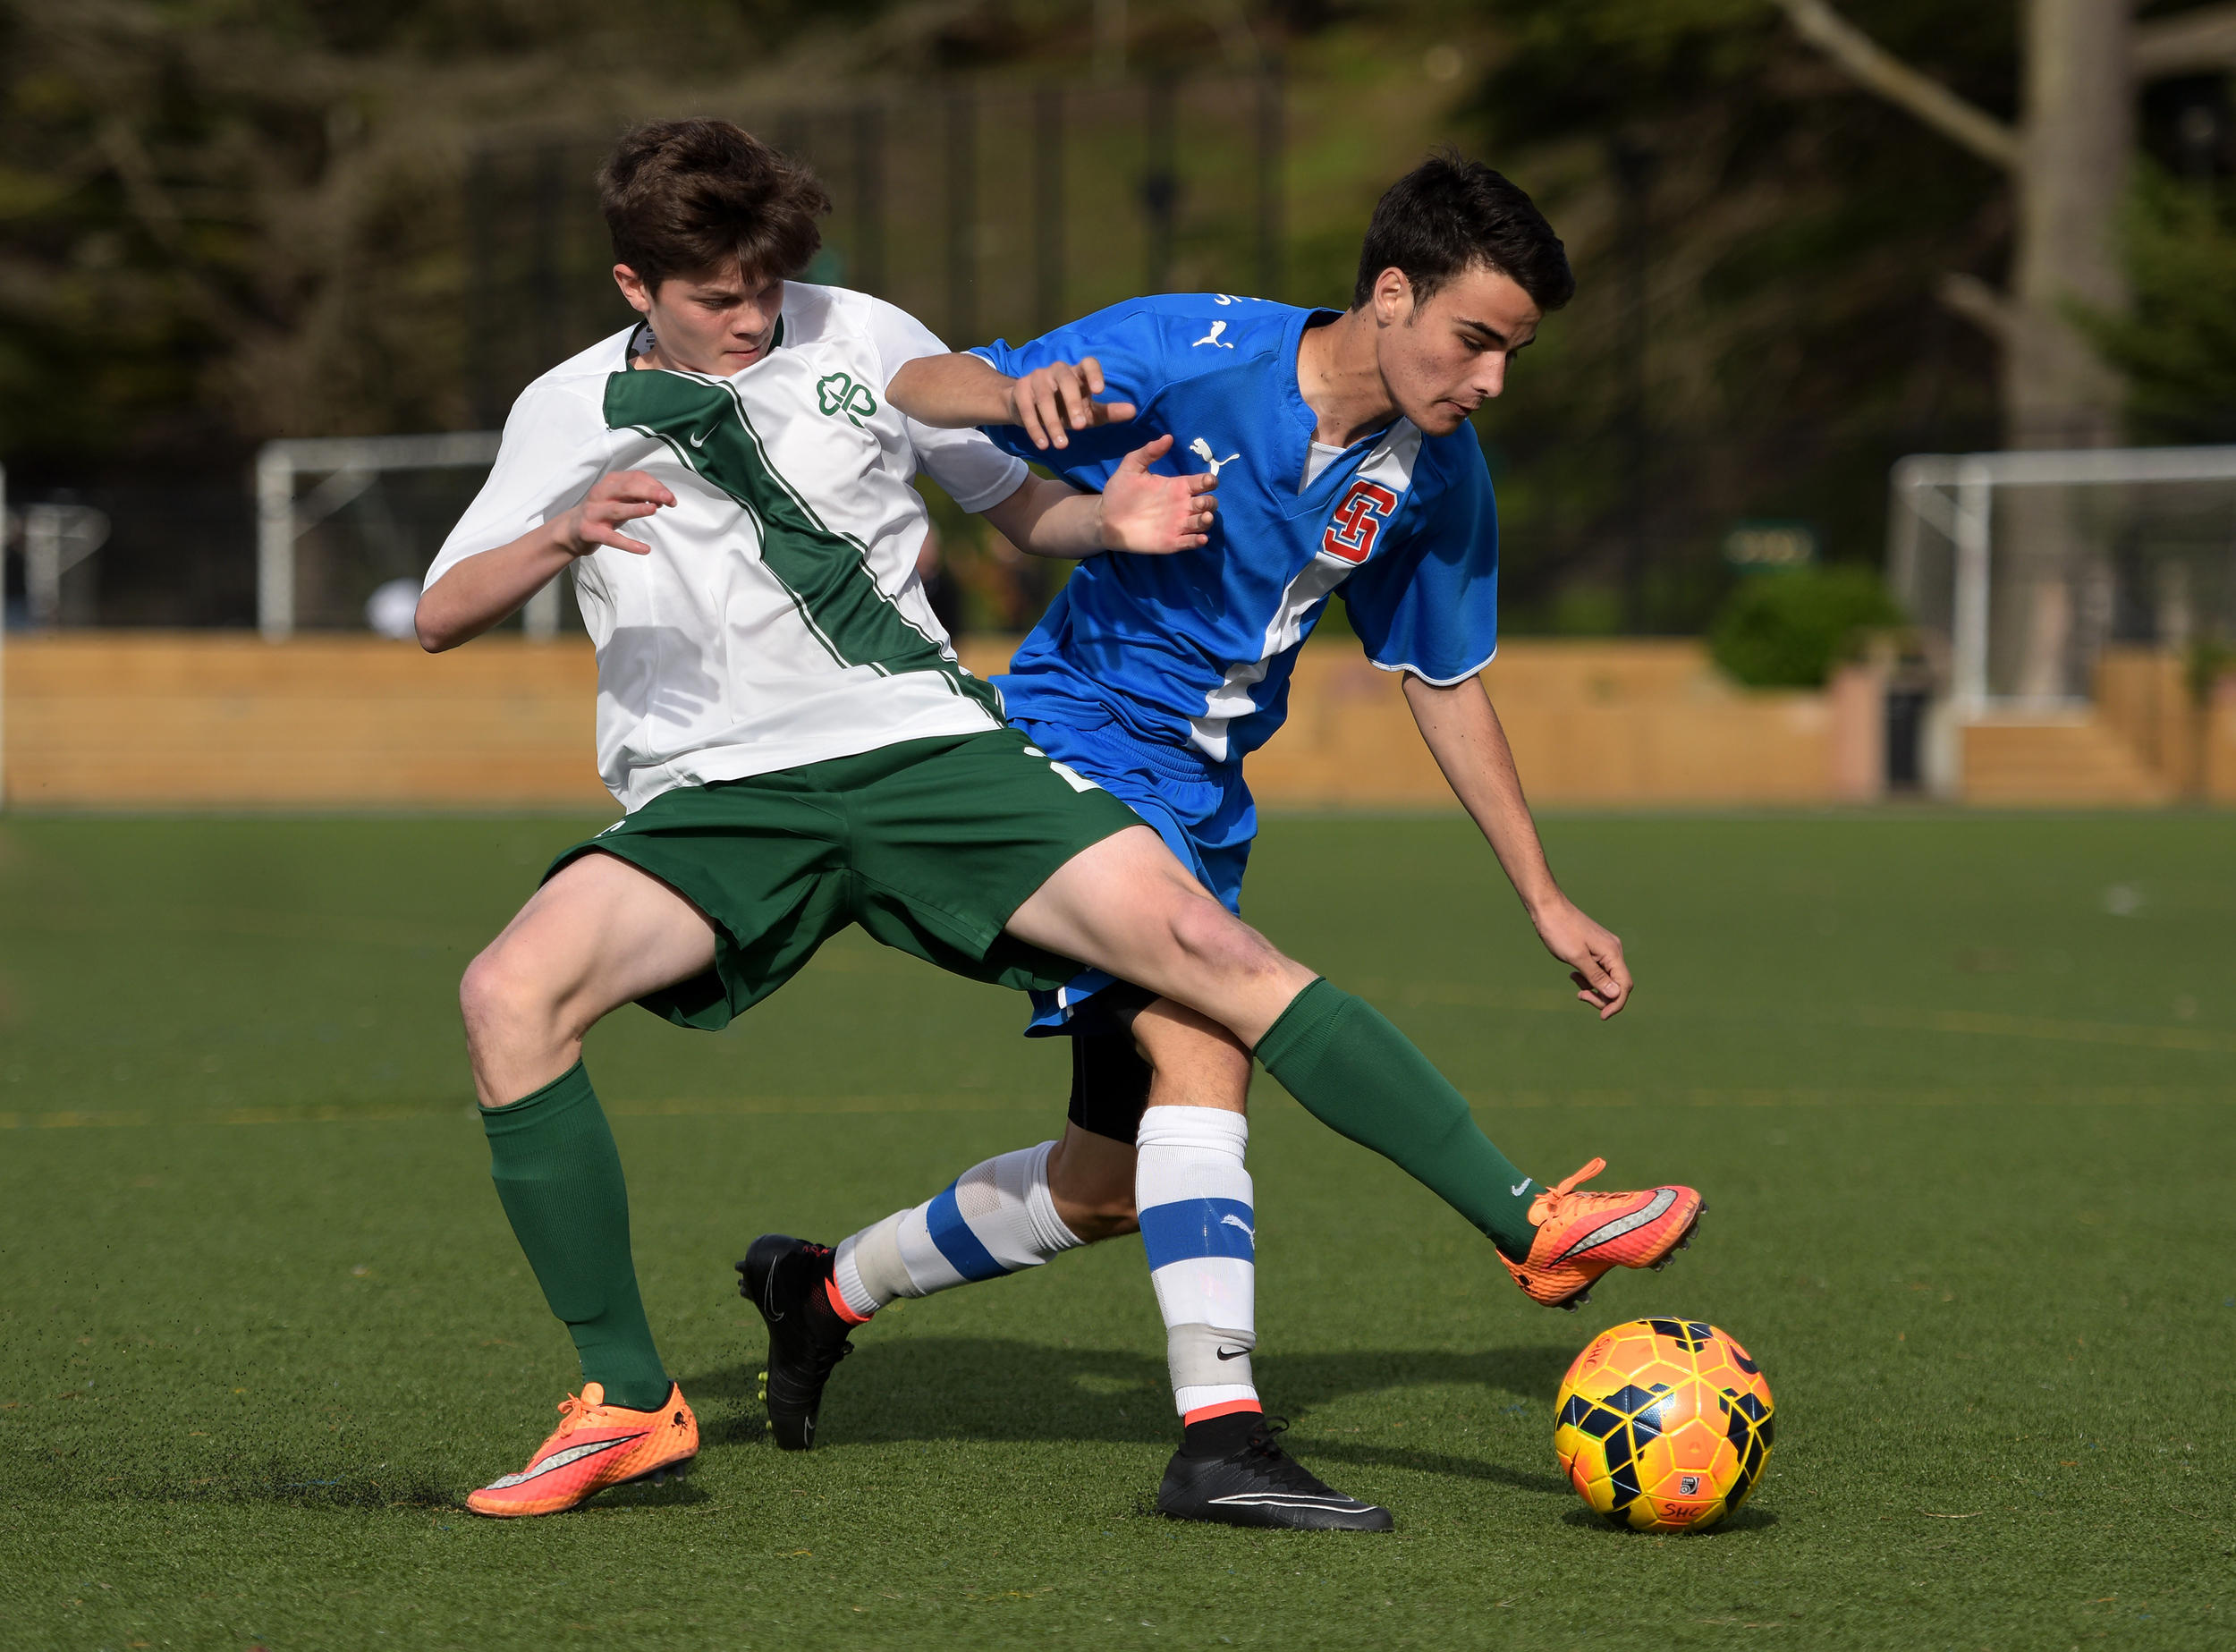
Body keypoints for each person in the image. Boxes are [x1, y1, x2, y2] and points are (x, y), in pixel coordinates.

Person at [419, 119, 1687, 1531]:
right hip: (804, 778)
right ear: (631, 285)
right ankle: (636, 1402)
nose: (753, 314)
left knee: (1124, 1151)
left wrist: (1097, 507)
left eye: (768, 283)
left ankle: (828, 1289)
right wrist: (563, 531)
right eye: (717, 293)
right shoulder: (570, 409)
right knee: (509, 993)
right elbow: (438, 614)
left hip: (944, 755)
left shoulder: (858, 333)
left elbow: (984, 448)